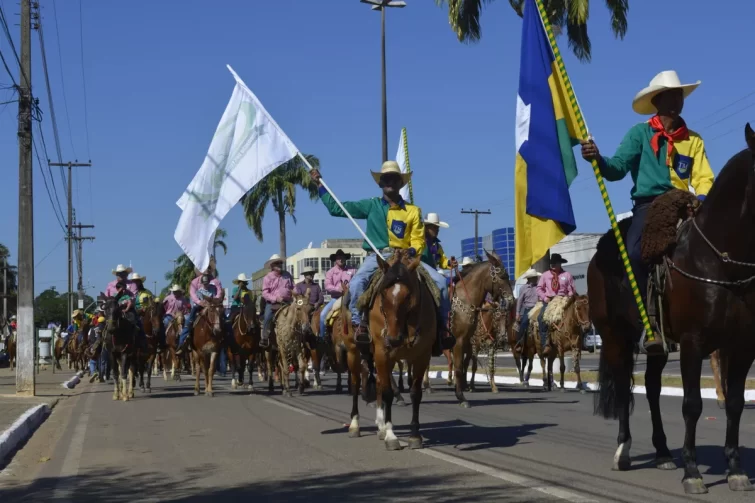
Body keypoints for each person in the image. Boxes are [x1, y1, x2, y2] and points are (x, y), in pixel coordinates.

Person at [580, 70, 713, 353]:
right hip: (649, 206)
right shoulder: (639, 134)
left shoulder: (693, 140)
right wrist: (598, 158)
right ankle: (647, 322)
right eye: (671, 95)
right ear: (657, 100)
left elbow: (704, 178)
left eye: (680, 95)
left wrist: (699, 200)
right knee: (635, 252)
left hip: (686, 204)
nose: (677, 100)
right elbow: (616, 168)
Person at [311, 161, 453, 349]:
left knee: (441, 284)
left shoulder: (413, 211)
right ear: (380, 184)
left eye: (394, 179)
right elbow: (337, 208)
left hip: (407, 257)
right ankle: (359, 323)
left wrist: (412, 250)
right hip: (377, 257)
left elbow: (418, 239)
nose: (390, 183)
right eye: (386, 179)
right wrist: (320, 186)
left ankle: (442, 328)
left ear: (400, 184)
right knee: (356, 284)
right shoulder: (371, 205)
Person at [536, 254, 576, 355]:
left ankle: (576, 340)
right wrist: (545, 298)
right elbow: (539, 288)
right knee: (541, 317)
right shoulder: (545, 275)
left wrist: (570, 296)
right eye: (552, 263)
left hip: (563, 299)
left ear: (560, 263)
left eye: (555, 263)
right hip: (550, 300)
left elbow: (572, 290)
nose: (553, 265)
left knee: (576, 315)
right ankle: (546, 344)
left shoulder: (567, 275)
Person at [176, 272, 224, 355]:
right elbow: (195, 298)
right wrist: (201, 302)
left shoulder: (213, 287)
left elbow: (217, 295)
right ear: (201, 283)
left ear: (209, 282)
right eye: (204, 283)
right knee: (188, 322)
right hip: (199, 306)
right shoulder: (199, 290)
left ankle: (228, 342)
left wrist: (214, 301)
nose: (206, 285)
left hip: (212, 306)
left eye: (207, 283)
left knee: (225, 321)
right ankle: (182, 344)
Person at [260, 255, 294, 348]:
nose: (279, 264)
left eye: (280, 263)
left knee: (298, 315)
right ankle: (265, 339)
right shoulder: (268, 277)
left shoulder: (287, 275)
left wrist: (295, 293)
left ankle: (300, 336)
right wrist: (276, 298)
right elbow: (265, 293)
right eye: (277, 263)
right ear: (272, 265)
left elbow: (292, 288)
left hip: (287, 302)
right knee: (267, 318)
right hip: (272, 304)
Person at [319, 249, 354, 340]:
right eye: (338, 258)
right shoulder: (330, 272)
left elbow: (357, 281)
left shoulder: (353, 270)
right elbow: (327, 286)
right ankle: (323, 338)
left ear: (345, 259)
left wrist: (350, 288)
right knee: (323, 315)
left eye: (342, 258)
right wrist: (338, 289)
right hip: (336, 298)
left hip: (351, 297)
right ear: (335, 260)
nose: (341, 260)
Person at [514, 268, 541, 354]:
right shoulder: (523, 288)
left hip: (538, 308)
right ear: (529, 279)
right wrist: (517, 313)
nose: (536, 278)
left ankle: (546, 343)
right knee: (524, 323)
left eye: (536, 277)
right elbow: (519, 301)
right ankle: (518, 343)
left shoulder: (539, 287)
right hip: (528, 309)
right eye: (534, 277)